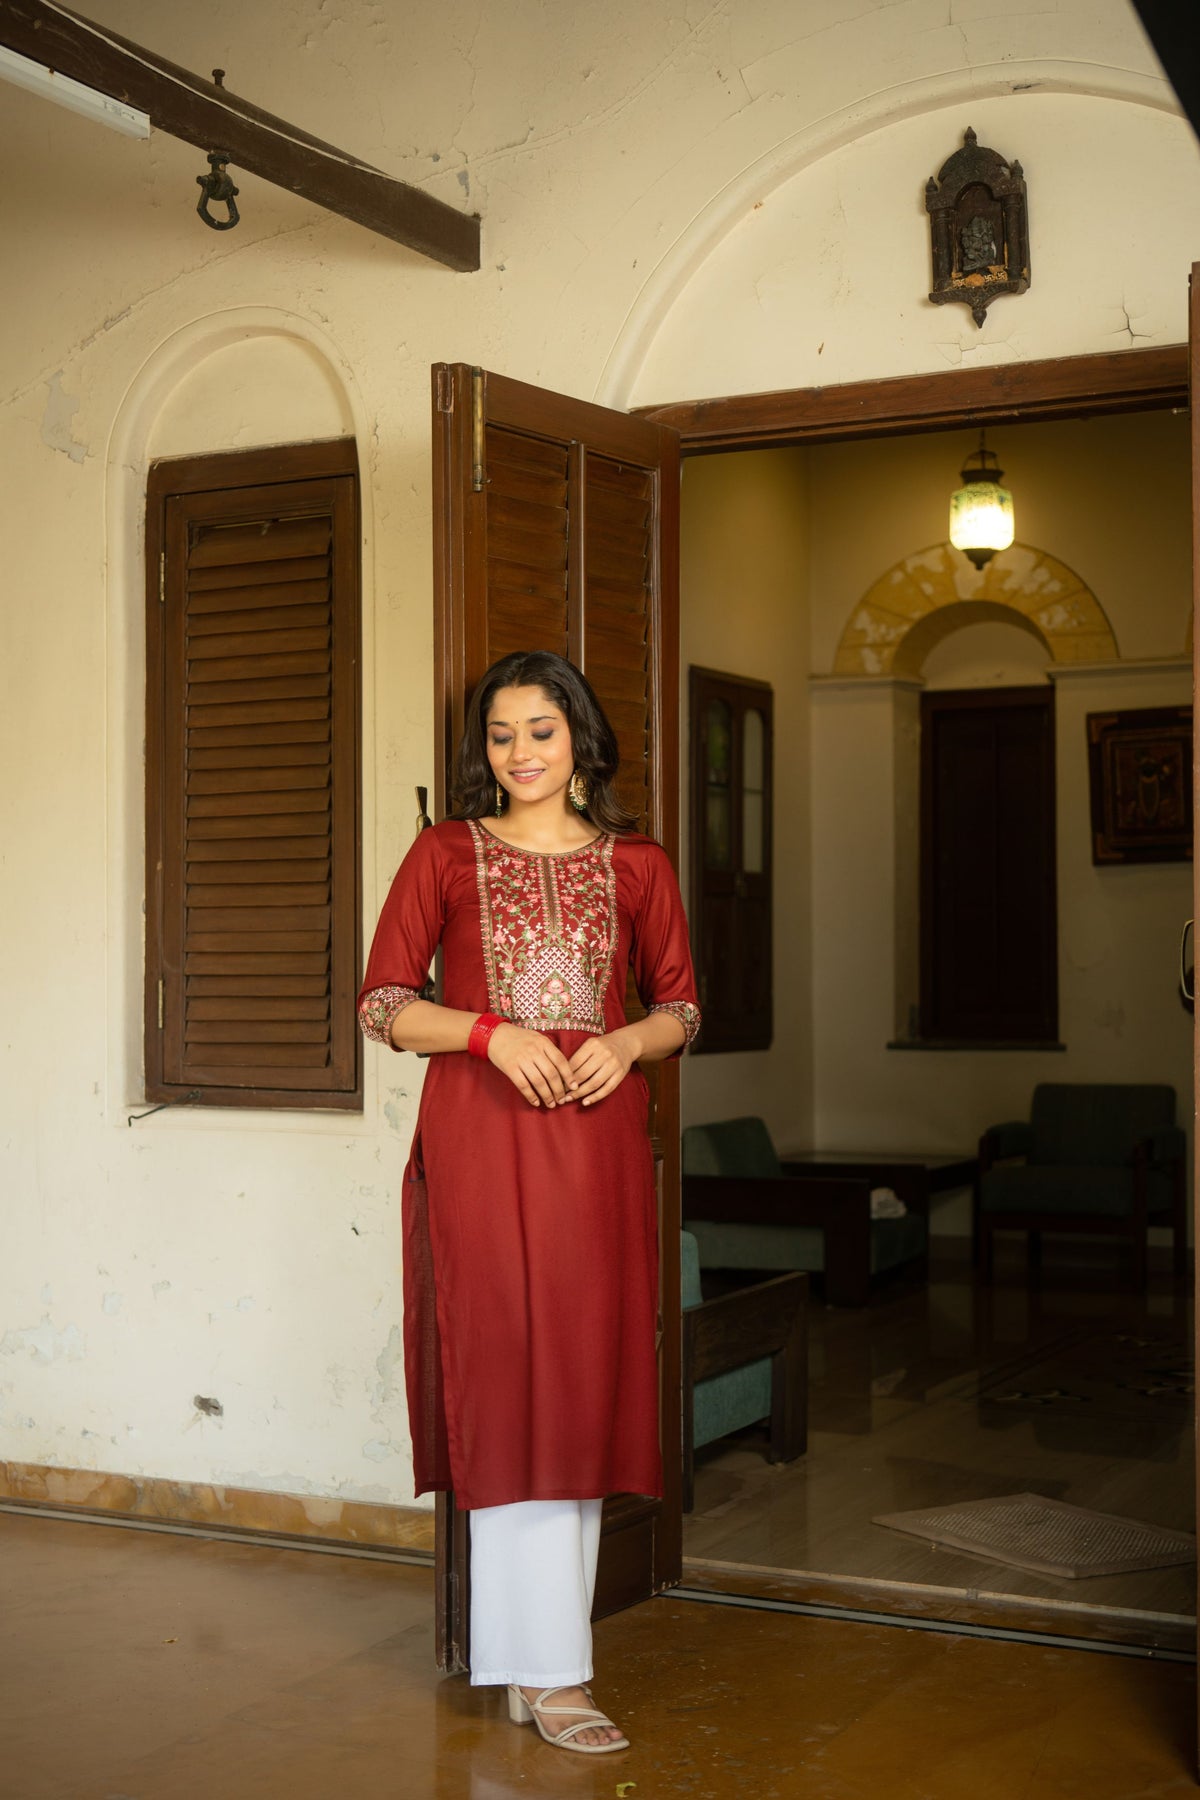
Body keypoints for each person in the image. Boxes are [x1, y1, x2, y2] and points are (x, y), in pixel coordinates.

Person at [357, 650, 700, 1756]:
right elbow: (383, 1004)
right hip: (481, 1138)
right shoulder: (443, 855)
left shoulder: (639, 866)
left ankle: (538, 1657)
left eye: (541, 731)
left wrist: (626, 1041)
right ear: (481, 752)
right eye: (500, 735)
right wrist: (493, 1032)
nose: (521, 753)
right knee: (507, 1370)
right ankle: (551, 1673)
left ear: (581, 739)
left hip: (595, 1145)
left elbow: (684, 1006)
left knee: (582, 1379)